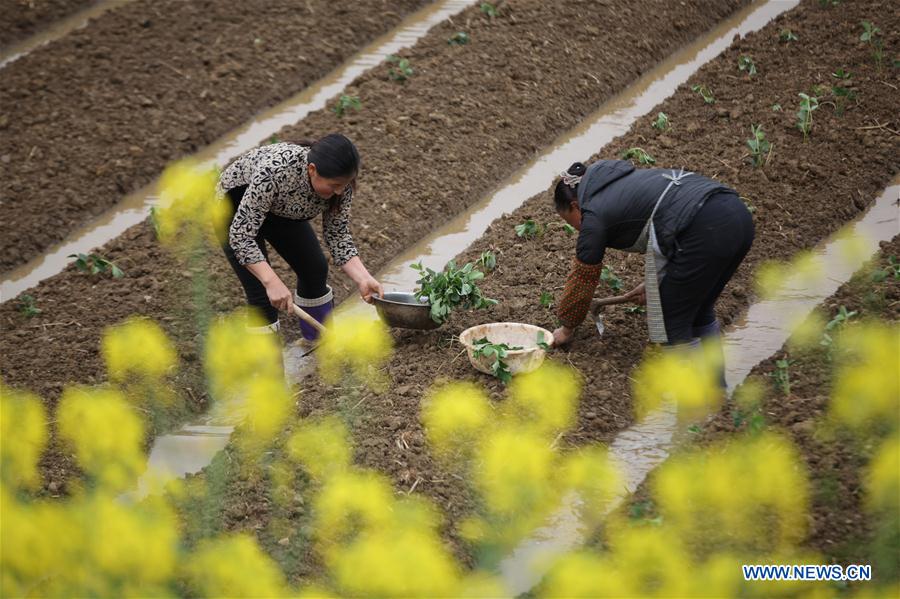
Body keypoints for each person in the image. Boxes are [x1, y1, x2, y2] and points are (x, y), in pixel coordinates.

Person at [551, 160, 754, 383]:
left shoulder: (593, 214)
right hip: (736, 215)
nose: (576, 229)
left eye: (571, 222)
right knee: (699, 310)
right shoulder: (618, 183)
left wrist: (567, 328)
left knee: (672, 322)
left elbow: (583, 278)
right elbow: (670, 222)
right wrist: (656, 283)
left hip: (704, 228)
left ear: (575, 206)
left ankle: (695, 398)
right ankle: (716, 390)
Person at [218, 133, 383, 338]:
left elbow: (337, 235)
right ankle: (266, 359)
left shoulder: (342, 186)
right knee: (261, 294)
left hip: (281, 208)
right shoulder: (275, 171)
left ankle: (319, 342)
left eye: (344, 184)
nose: (340, 191)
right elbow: (241, 236)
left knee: (314, 269)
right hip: (234, 211)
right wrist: (271, 281)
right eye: (334, 185)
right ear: (312, 170)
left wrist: (364, 278)